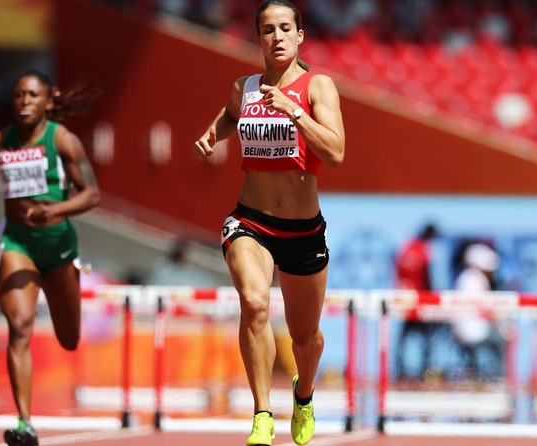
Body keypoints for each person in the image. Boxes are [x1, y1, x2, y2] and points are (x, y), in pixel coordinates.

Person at [192, 1, 345, 444]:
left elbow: (335, 153)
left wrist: (293, 111)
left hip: (302, 230)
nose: (276, 37)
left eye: (284, 28)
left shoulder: (318, 87)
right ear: (257, 39)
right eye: (267, 30)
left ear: (300, 37)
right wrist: (211, 132)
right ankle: (262, 413)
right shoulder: (246, 87)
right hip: (250, 221)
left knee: (305, 339)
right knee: (254, 303)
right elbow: (230, 114)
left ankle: (304, 393)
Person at [0, 69, 101, 446]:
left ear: (48, 100)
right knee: (18, 325)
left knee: (68, 338)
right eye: (18, 96)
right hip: (18, 244)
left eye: (32, 95)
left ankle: (66, 301)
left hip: (59, 244)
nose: (24, 102)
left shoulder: (62, 139)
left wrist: (58, 211)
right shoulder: (1, 140)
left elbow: (92, 194)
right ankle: (24, 423)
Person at [451, 242, 505, 380]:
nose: (492, 272)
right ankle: (500, 379)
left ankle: (477, 376)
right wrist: (501, 326)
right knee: (503, 340)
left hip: (461, 331)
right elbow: (487, 311)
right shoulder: (477, 279)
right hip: (475, 330)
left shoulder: (464, 278)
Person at [394, 223, 441, 380]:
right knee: (425, 336)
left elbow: (399, 272)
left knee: (406, 335)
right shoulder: (422, 249)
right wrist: (430, 298)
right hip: (419, 298)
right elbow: (427, 275)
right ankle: (425, 369)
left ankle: (400, 368)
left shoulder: (407, 246)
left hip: (407, 297)